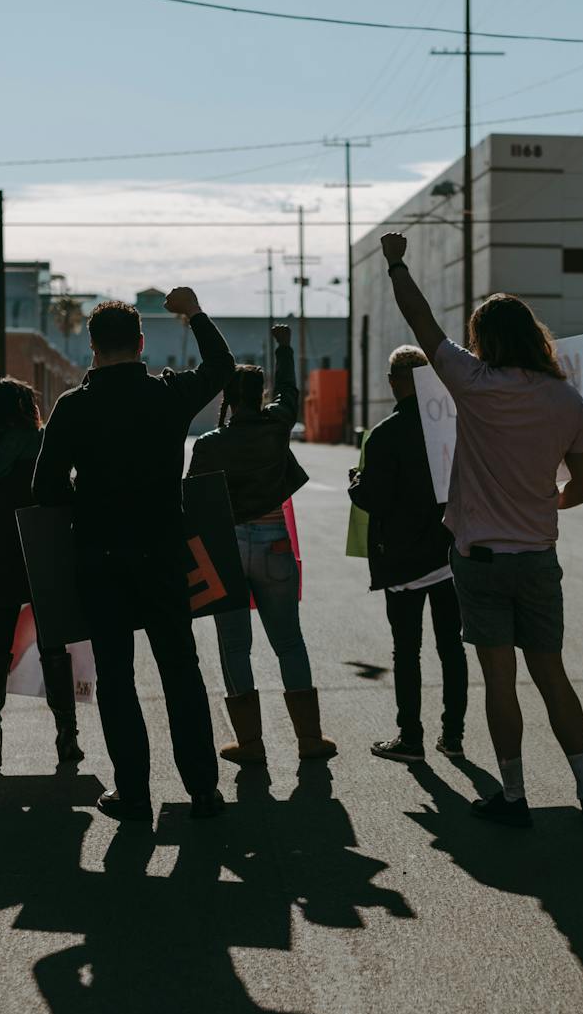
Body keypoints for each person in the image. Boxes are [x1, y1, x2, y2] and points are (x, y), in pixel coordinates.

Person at [379, 230, 583, 829]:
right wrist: (542, 502)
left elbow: (421, 319)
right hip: (538, 556)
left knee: (500, 682)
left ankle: (514, 796)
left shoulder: (473, 384)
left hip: (480, 561)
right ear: (534, 338)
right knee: (551, 675)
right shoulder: (568, 401)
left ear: (484, 341)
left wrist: (398, 262)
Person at [32, 288, 230, 823]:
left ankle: (134, 794)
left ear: (92, 349)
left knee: (117, 676)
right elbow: (221, 368)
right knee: (180, 670)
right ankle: (204, 791)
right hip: (164, 551)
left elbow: (45, 485)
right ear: (141, 343)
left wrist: (87, 505)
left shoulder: (73, 408)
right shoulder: (167, 396)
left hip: (99, 556)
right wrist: (194, 312)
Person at [187, 323, 335, 766]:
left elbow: (194, 501)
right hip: (274, 543)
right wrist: (284, 348)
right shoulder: (276, 426)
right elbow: (289, 391)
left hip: (228, 548)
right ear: (260, 394)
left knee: (235, 646)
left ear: (227, 399)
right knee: (289, 641)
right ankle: (309, 739)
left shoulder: (211, 444)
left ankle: (250, 743)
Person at [347, 344, 467, 764]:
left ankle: (410, 737)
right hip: (451, 552)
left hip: (403, 559)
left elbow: (374, 499)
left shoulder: (385, 434)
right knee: (451, 646)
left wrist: (356, 483)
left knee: (407, 650)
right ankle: (453, 735)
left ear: (396, 382)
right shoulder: (453, 426)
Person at [0, 377, 83, 769]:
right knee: (53, 644)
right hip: (41, 553)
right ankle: (67, 734)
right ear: (26, 408)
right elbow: (63, 493)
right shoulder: (42, 444)